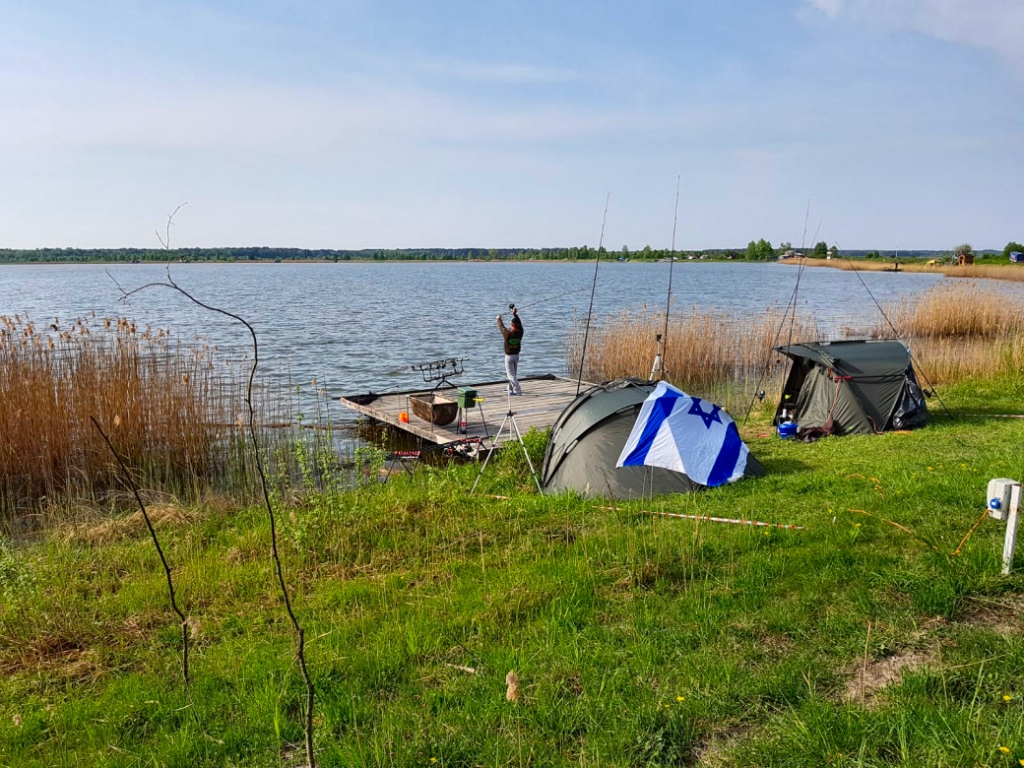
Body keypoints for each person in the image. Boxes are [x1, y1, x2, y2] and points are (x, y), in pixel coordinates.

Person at [496, 308, 524, 395]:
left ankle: (518, 390)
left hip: (509, 357)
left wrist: (498, 319)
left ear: (512, 325)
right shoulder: (521, 332)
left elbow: (501, 327)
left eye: (511, 324)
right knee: (513, 373)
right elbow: (520, 324)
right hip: (516, 356)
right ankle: (510, 388)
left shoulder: (507, 334)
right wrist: (515, 314)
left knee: (510, 375)